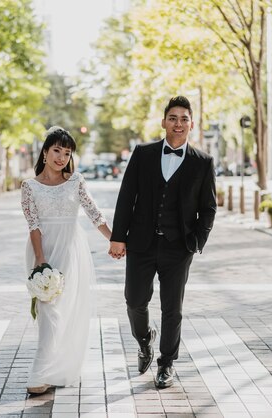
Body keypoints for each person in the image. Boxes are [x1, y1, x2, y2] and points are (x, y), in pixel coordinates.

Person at [109, 96, 216, 389]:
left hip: (178, 247)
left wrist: (196, 241)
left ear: (191, 124)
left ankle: (166, 363)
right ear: (163, 122)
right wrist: (118, 237)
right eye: (173, 118)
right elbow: (126, 197)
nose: (178, 123)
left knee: (172, 308)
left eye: (184, 118)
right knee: (134, 300)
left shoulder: (203, 162)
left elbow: (208, 207)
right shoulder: (143, 154)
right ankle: (144, 341)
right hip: (141, 243)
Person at [20, 127, 112, 395]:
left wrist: (115, 240)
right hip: (43, 250)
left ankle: (57, 368)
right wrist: (40, 260)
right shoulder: (29, 187)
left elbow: (95, 215)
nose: (61, 157)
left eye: (67, 152)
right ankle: (39, 373)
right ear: (45, 152)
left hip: (71, 249)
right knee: (48, 310)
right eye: (57, 150)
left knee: (66, 309)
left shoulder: (76, 181)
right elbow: (33, 225)